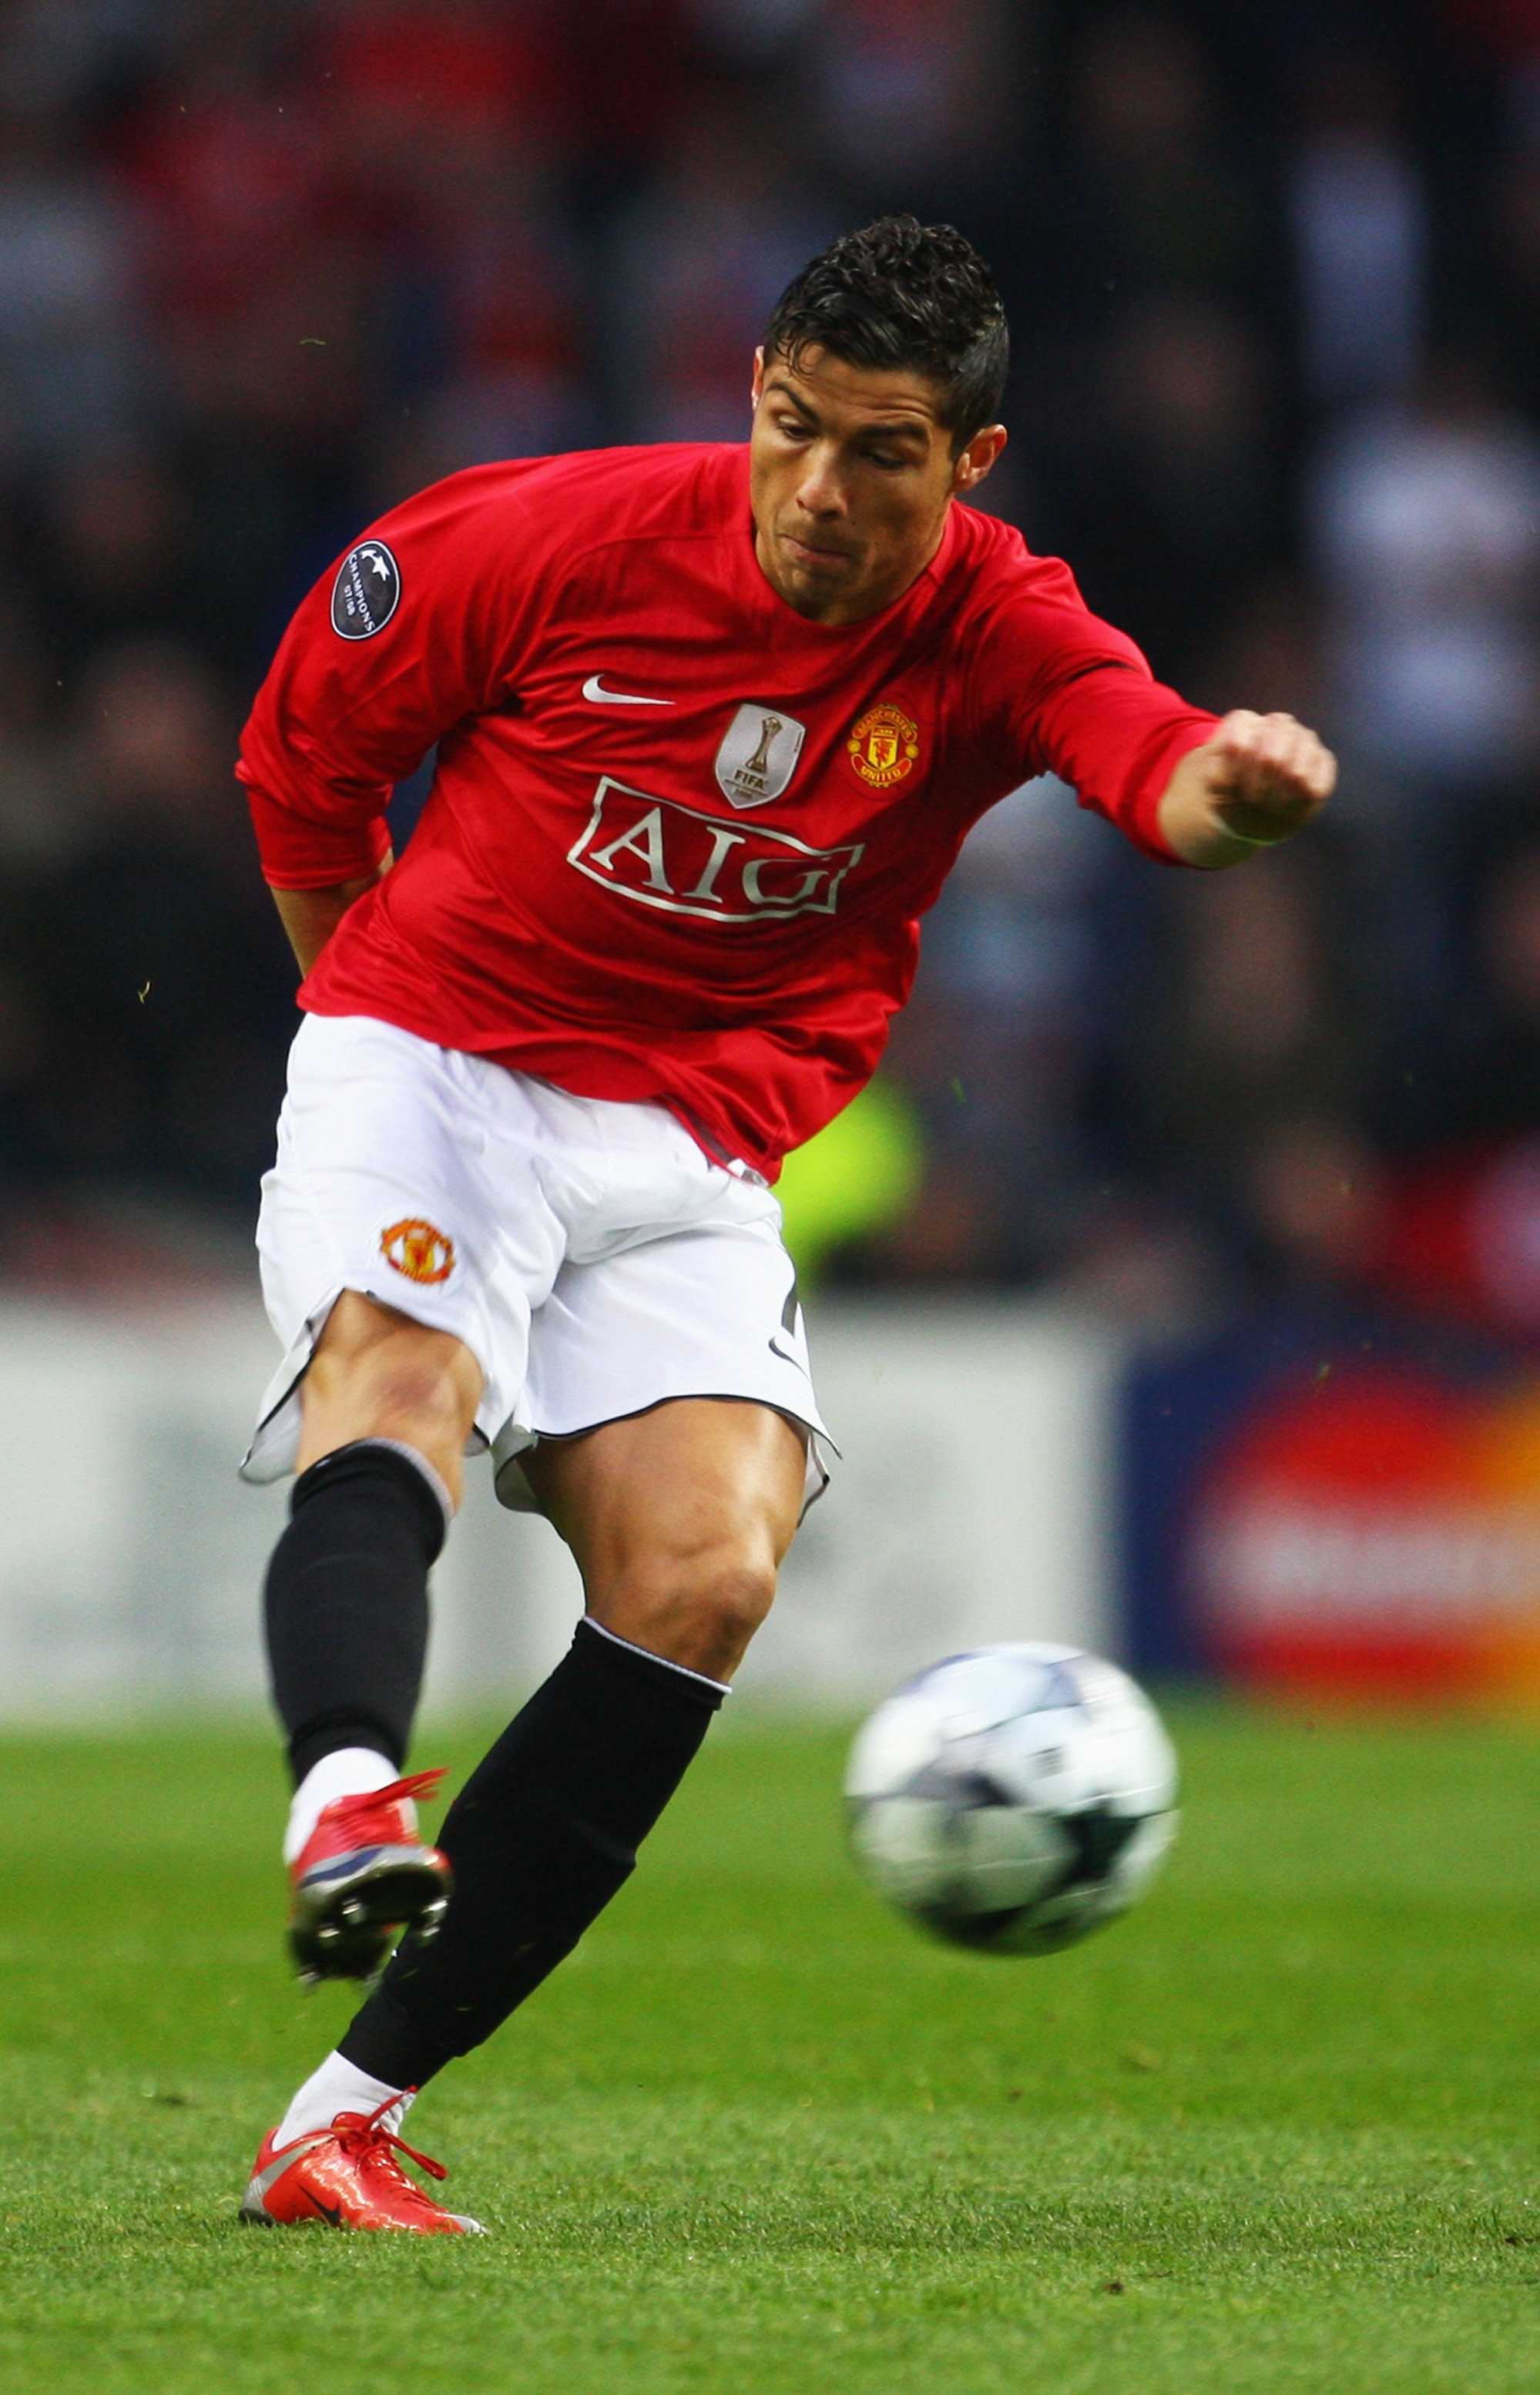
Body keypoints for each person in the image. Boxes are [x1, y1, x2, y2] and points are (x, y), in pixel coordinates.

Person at [233, 216, 1335, 2235]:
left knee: (709, 1581)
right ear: (752, 392)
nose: (820, 491)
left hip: (695, 1139)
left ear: (971, 460)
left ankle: (340, 2122)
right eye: (792, 429)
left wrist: (1236, 791)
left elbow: (1150, 767)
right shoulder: (550, 537)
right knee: (402, 1375)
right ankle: (346, 1799)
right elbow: (309, 750)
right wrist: (362, 1019)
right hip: (437, 1054)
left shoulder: (1001, 629)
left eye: (882, 452)